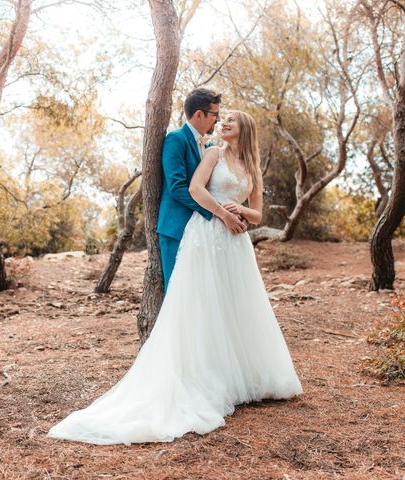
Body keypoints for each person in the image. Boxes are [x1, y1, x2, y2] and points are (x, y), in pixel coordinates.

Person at [47, 110, 302, 445]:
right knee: (202, 304)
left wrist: (241, 212)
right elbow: (195, 189)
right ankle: (206, 379)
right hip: (208, 234)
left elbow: (257, 212)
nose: (222, 124)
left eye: (230, 121)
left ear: (246, 130)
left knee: (234, 306)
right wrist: (224, 213)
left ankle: (238, 377)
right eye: (220, 119)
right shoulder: (213, 154)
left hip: (236, 244)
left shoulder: (251, 168)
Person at [156, 88, 246, 291]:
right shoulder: (176, 139)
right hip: (176, 227)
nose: (218, 120)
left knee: (197, 293)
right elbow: (178, 187)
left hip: (198, 230)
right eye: (215, 114)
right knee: (177, 293)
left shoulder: (206, 146)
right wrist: (216, 213)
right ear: (199, 114)